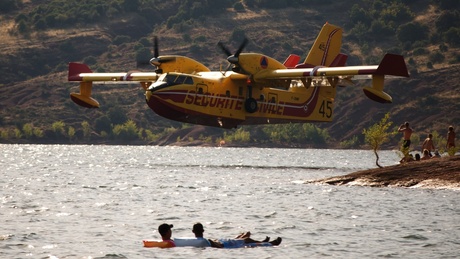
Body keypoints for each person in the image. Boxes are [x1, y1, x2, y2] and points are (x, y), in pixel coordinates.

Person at [192, 222, 282, 248]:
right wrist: (212, 242)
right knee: (246, 239)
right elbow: (219, 247)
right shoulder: (205, 241)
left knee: (244, 237)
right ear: (203, 230)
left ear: (192, 231)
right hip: (224, 244)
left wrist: (212, 242)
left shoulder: (200, 241)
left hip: (221, 242)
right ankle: (271, 243)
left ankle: (264, 242)